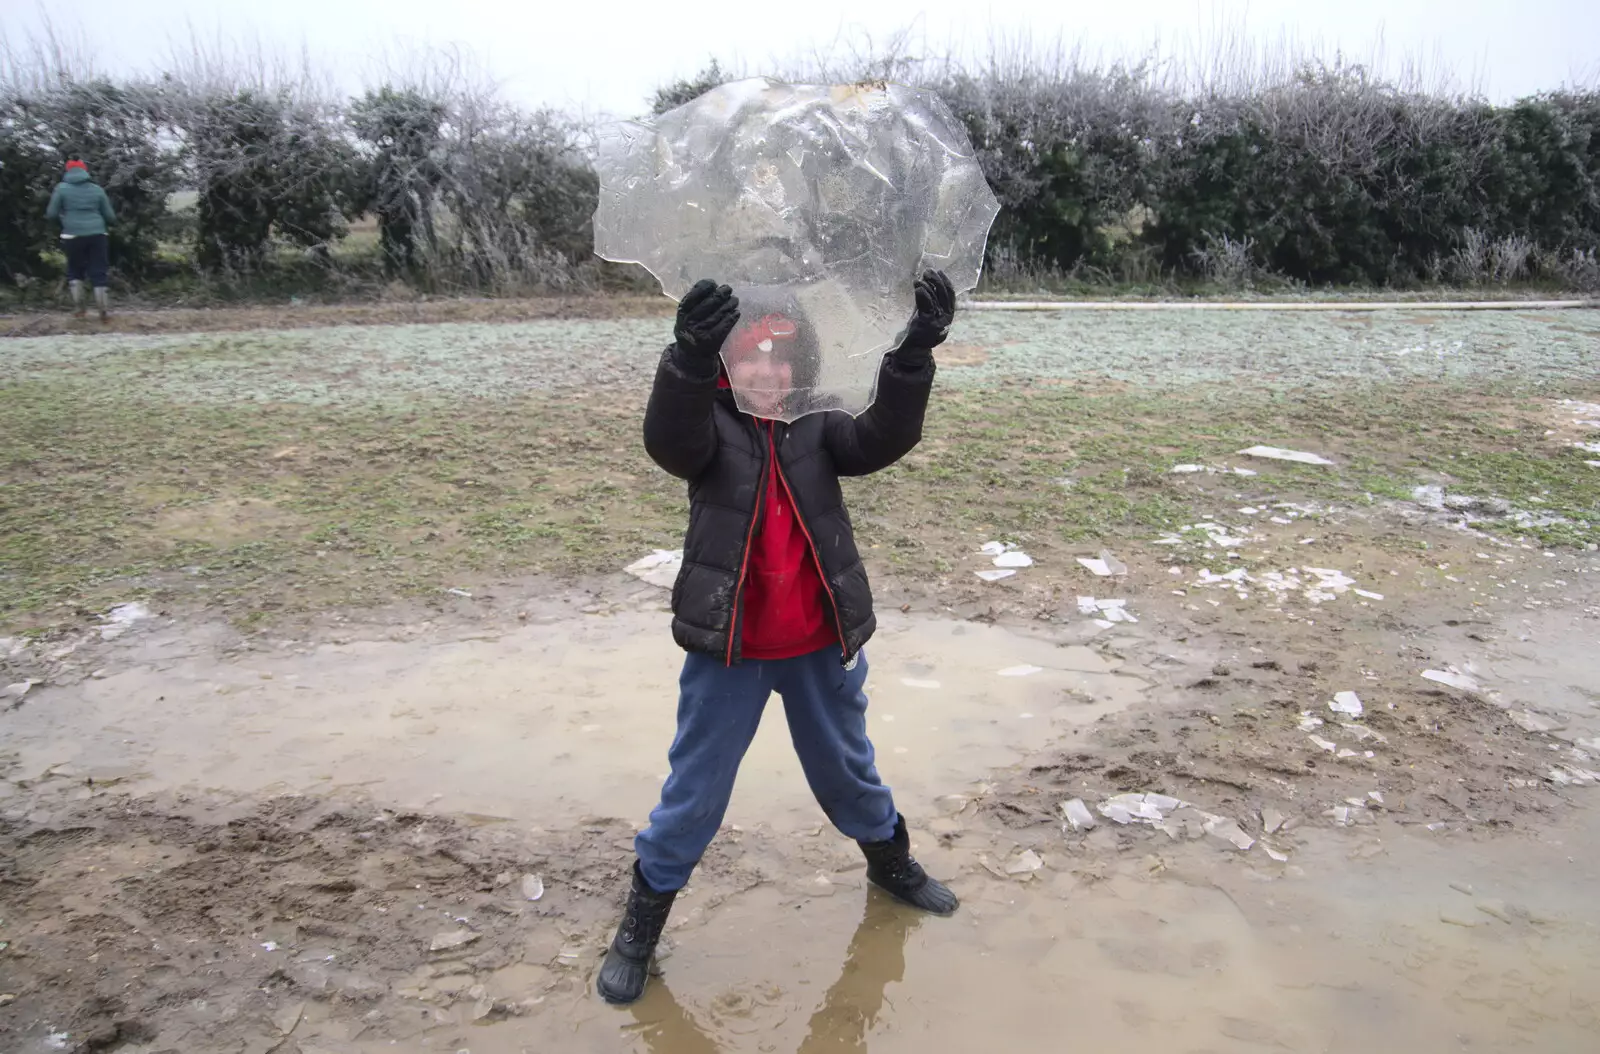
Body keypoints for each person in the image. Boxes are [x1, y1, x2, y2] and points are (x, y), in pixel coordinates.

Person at [597, 270, 958, 1006]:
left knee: (847, 774)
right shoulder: (709, 430)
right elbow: (668, 441)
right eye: (749, 354)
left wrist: (914, 353)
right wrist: (689, 362)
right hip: (728, 652)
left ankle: (891, 866)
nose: (766, 370)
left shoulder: (821, 424)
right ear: (729, 364)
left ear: (804, 367)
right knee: (693, 796)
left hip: (817, 647)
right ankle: (639, 927)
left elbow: (883, 436)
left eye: (781, 358)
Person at [44, 160, 116, 321]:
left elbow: (51, 214)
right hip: (98, 234)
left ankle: (80, 309)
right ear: (85, 172)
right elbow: (110, 216)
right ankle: (103, 310)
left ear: (67, 171)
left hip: (72, 235)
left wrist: (64, 221)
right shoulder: (97, 190)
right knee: (99, 270)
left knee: (75, 270)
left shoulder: (61, 189)